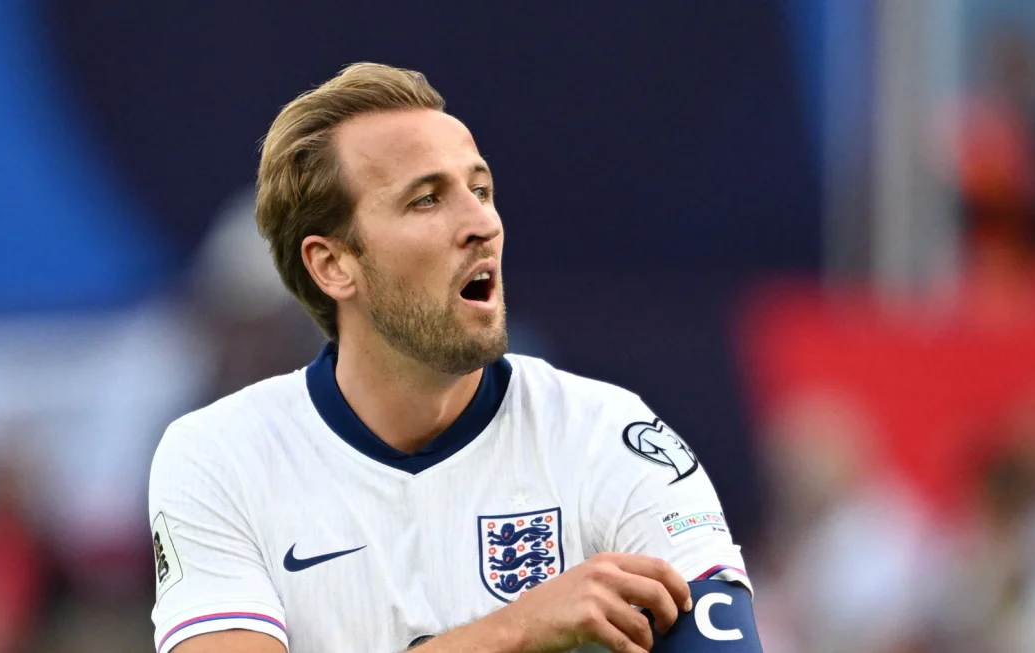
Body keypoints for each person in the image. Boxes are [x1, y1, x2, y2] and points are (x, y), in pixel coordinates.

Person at [148, 63, 760, 653]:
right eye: (425, 200)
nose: (482, 224)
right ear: (333, 264)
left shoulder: (611, 436)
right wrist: (514, 631)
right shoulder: (218, 456)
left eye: (481, 189)